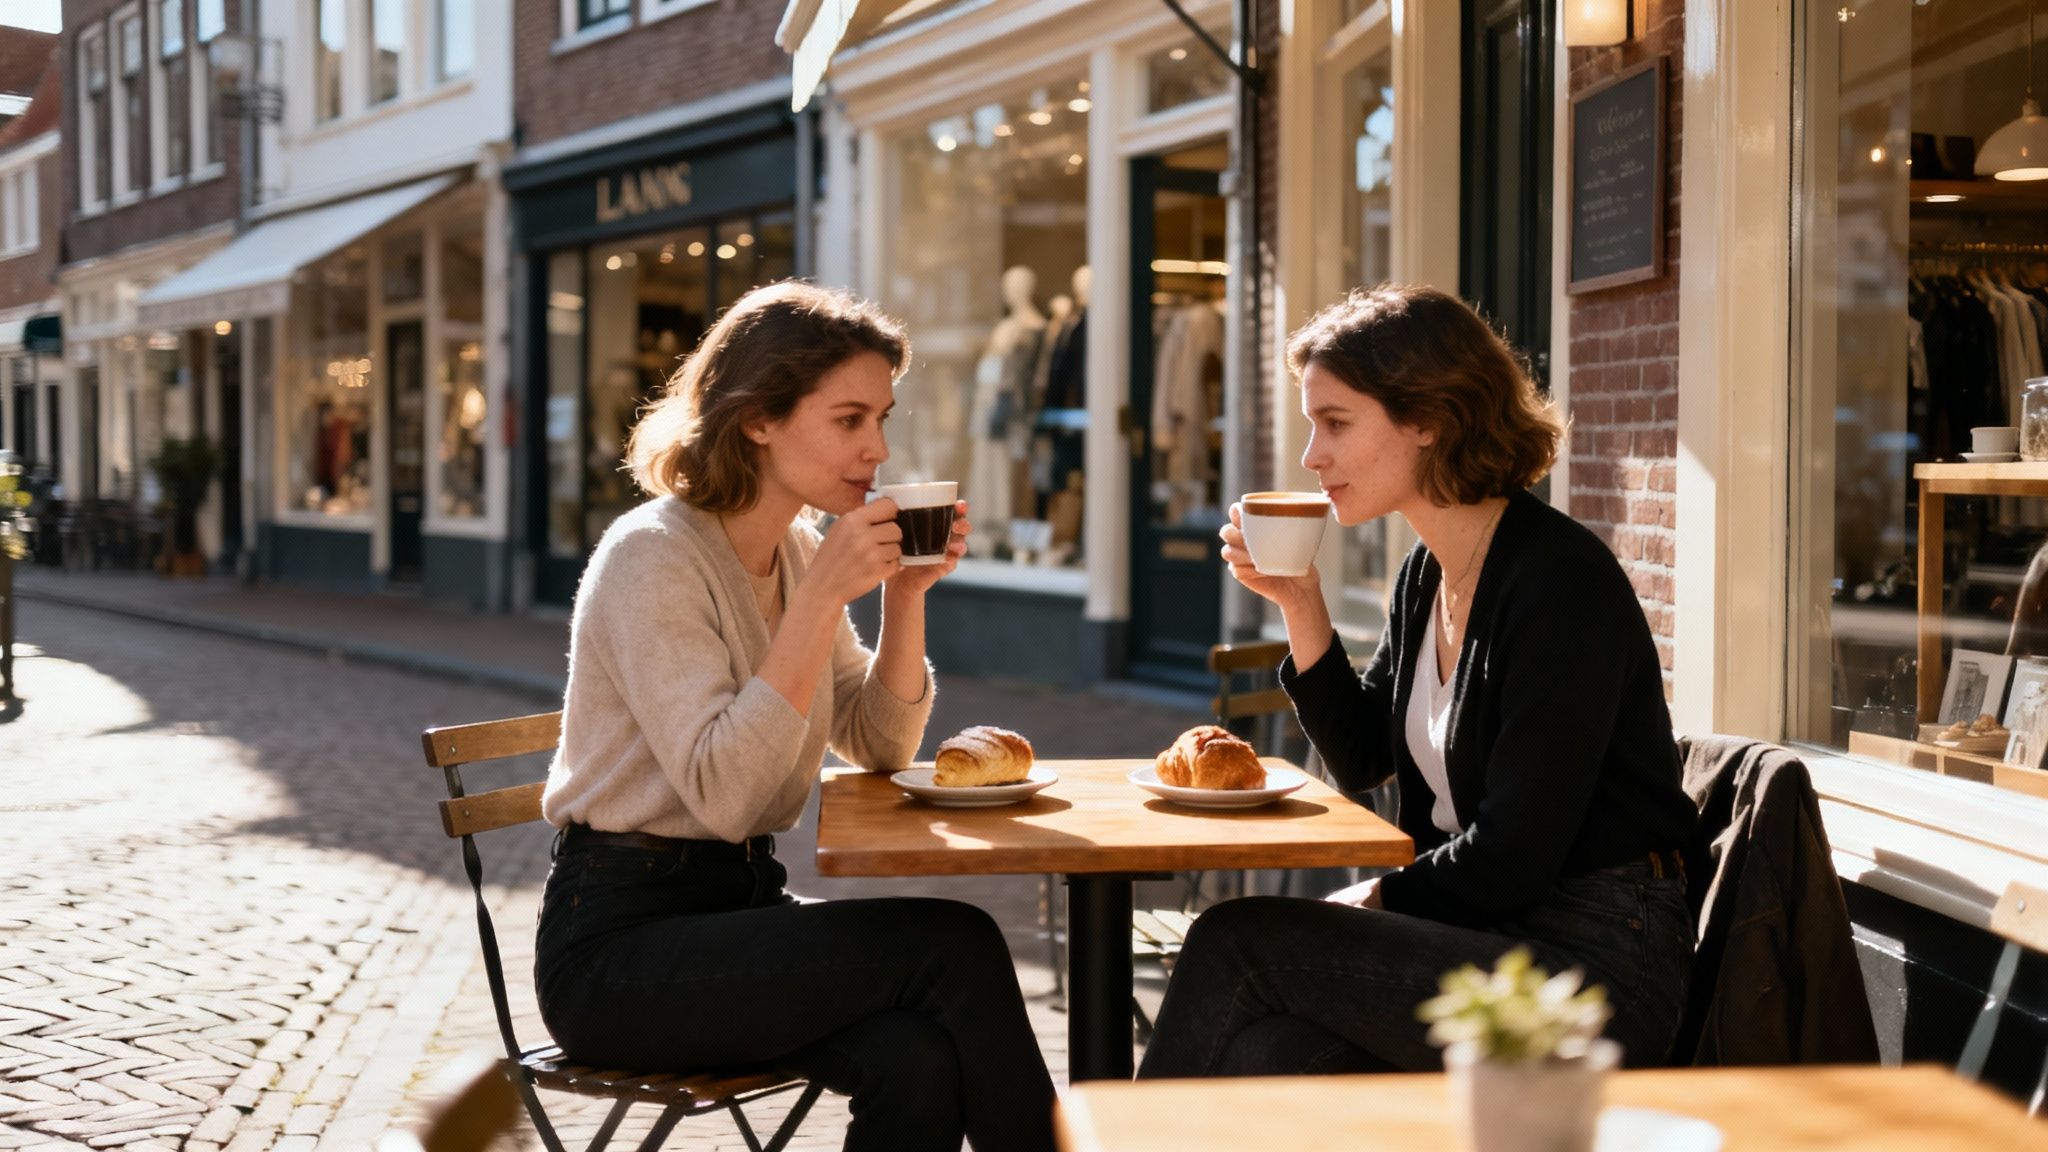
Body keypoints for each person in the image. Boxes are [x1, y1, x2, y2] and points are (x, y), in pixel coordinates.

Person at [535, 281, 1056, 1152]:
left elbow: (880, 742)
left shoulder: (796, 549)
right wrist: (817, 603)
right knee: (952, 943)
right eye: (849, 420)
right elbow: (728, 799)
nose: (877, 448)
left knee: (917, 1055)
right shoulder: (651, 560)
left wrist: (905, 594)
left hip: (738, 913)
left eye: (881, 419)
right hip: (619, 952)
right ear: (758, 419)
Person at [1137, 284, 1699, 1077]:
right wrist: (1301, 601)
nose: (1311, 456)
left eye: (1334, 423)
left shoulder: (1558, 583)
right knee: (1274, 1051)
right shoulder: (1425, 574)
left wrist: (1379, 898)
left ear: (1428, 418)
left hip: (1598, 959)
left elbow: (1514, 853)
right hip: (1487, 934)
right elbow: (1365, 755)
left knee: (1234, 940)